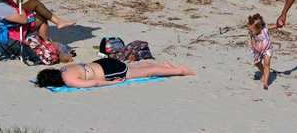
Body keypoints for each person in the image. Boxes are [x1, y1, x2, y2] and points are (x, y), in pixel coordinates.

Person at [36, 59, 195, 89]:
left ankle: (179, 71)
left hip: (109, 71)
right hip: (102, 62)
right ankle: (163, 65)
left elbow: (95, 83)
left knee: (145, 73)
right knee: (135, 67)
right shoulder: (65, 69)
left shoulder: (69, 80)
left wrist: (115, 82)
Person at [248, 13, 272, 90]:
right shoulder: (252, 33)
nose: (251, 32)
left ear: (259, 28)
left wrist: (278, 25)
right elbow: (252, 40)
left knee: (267, 64)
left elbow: (272, 27)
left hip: (267, 49)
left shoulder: (264, 30)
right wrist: (253, 46)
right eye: (250, 30)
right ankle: (264, 73)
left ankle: (265, 83)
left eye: (252, 30)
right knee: (257, 63)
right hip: (258, 50)